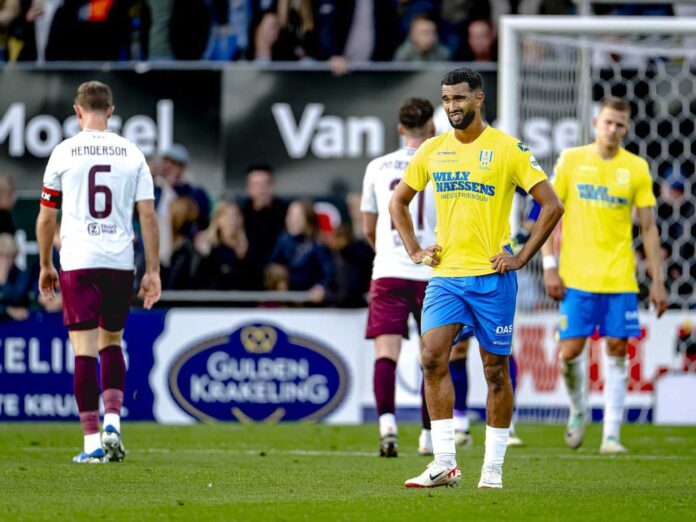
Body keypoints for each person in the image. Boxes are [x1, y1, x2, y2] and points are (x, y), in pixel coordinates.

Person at [390, 67, 563, 489]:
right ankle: (445, 462)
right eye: (446, 100)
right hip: (446, 276)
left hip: (491, 278)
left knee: (495, 371)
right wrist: (414, 249)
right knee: (432, 357)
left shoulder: (508, 149)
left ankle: (493, 468)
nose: (452, 107)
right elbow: (398, 201)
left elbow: (552, 205)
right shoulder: (432, 149)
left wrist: (522, 256)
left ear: (479, 99)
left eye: (460, 99)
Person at [36, 81, 161, 464]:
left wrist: (44, 264)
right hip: (119, 261)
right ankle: (113, 422)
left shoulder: (63, 152)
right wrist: (152, 270)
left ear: (77, 111)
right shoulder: (132, 153)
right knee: (112, 341)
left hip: (78, 259)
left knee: (83, 351)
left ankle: (91, 443)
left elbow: (45, 218)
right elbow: (148, 216)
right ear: (110, 111)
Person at [541, 96, 667, 454]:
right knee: (569, 352)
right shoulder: (571, 160)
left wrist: (657, 280)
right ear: (596, 122)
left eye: (620, 125)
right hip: (576, 277)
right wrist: (549, 266)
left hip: (619, 276)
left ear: (627, 129)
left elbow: (648, 228)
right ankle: (579, 408)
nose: (613, 130)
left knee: (616, 348)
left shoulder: (637, 168)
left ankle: (611, 434)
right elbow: (548, 214)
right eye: (608, 122)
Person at [359, 97, 439, 457]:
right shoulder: (441, 164)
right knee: (432, 356)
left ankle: (387, 426)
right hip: (432, 271)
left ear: (400, 128)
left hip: (388, 271)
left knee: (386, 353)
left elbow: (368, 226)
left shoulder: (377, 167)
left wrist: (388, 249)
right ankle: (428, 436)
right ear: (433, 128)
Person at [242, 164, 288, 289]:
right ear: (249, 188)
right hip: (247, 279)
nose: (262, 189)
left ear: (273, 186)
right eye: (256, 185)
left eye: (266, 184)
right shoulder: (240, 213)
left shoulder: (286, 212)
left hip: (280, 280)